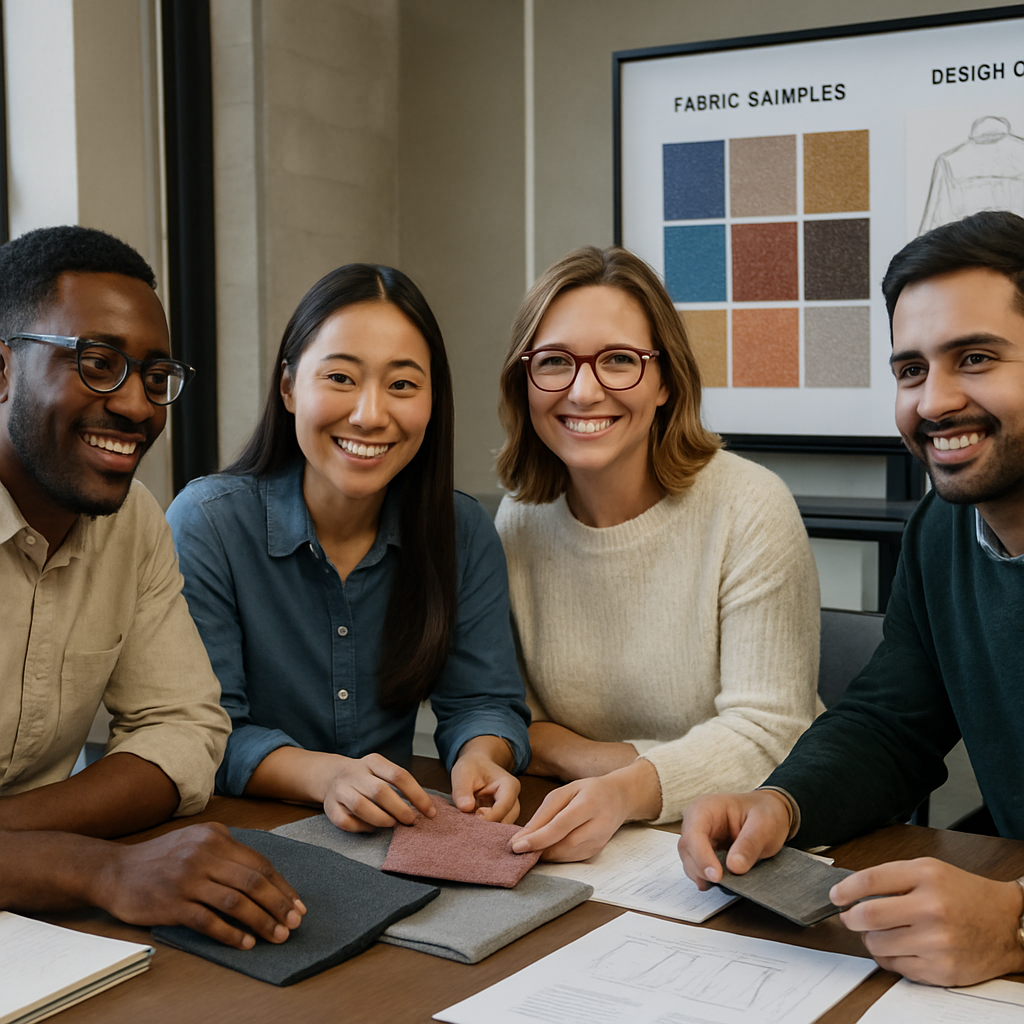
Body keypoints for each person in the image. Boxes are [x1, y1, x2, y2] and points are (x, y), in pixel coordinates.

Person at [678, 210, 1024, 987]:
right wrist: (784, 803)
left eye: (974, 358)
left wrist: (1017, 922)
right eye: (910, 370)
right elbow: (889, 725)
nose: (933, 402)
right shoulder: (943, 530)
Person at [0, 225, 304, 950]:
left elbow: (185, 729)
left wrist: (15, 838)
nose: (138, 406)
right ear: (3, 371)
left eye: (155, 375)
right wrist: (97, 870)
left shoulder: (132, 519)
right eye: (98, 363)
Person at [166, 263, 531, 832]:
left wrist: (481, 757)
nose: (369, 414)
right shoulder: (208, 524)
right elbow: (205, 730)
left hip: (390, 837)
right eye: (340, 377)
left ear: (433, 400)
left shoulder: (460, 529)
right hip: (236, 836)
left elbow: (483, 702)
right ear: (288, 387)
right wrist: (328, 776)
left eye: (402, 384)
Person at [492, 245, 821, 863]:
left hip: (743, 846)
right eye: (555, 362)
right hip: (588, 842)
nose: (584, 391)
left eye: (619, 360)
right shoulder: (519, 521)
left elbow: (773, 734)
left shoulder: (750, 506)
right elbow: (515, 724)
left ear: (667, 379)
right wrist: (625, 771)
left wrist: (623, 779)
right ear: (525, 381)